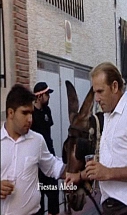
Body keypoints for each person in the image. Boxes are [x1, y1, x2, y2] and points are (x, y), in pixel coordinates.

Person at [66, 62, 127, 215]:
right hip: (112, 207)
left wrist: (108, 173)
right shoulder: (109, 115)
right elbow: (110, 163)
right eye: (94, 92)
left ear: (114, 87)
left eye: (100, 91)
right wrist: (79, 176)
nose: (96, 99)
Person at [1, 84, 66, 215]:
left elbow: (52, 166)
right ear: (10, 113)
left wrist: (77, 173)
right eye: (25, 113)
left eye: (31, 113)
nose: (30, 119)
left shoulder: (37, 140)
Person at [31, 82, 60, 215]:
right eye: (47, 94)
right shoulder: (30, 115)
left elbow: (48, 132)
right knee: (40, 195)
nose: (49, 97)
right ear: (40, 96)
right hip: (37, 162)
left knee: (53, 191)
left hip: (49, 156)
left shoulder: (47, 111)